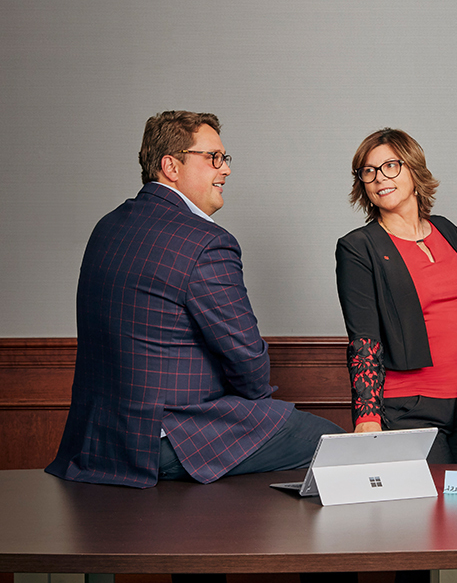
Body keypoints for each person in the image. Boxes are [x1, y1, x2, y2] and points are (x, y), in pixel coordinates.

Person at [46, 111, 343, 489]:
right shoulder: (204, 241)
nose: (226, 170)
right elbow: (247, 358)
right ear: (171, 165)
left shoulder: (107, 227)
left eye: (225, 158)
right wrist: (257, 406)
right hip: (165, 440)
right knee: (334, 446)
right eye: (213, 158)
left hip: (98, 442)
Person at [336, 128, 457, 464]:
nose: (380, 178)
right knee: (429, 511)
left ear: (413, 170)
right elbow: (363, 338)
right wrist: (367, 416)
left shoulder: (447, 230)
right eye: (369, 171)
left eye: (390, 166)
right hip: (410, 409)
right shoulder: (358, 247)